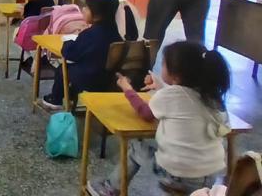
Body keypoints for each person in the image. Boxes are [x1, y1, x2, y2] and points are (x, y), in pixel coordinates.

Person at [87, 42, 231, 195]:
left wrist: (127, 89)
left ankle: (110, 188)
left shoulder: (169, 96)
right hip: (210, 175)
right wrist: (161, 86)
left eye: (163, 63)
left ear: (175, 75)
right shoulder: (213, 98)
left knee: (137, 147)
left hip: (178, 175)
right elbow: (184, 100)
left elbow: (146, 113)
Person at [42, 0, 123, 109]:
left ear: (97, 14)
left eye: (87, 8)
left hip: (90, 79)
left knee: (63, 69)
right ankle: (70, 94)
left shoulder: (90, 34)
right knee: (79, 67)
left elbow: (69, 54)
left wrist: (68, 42)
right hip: (109, 79)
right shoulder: (115, 34)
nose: (83, 10)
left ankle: (55, 99)